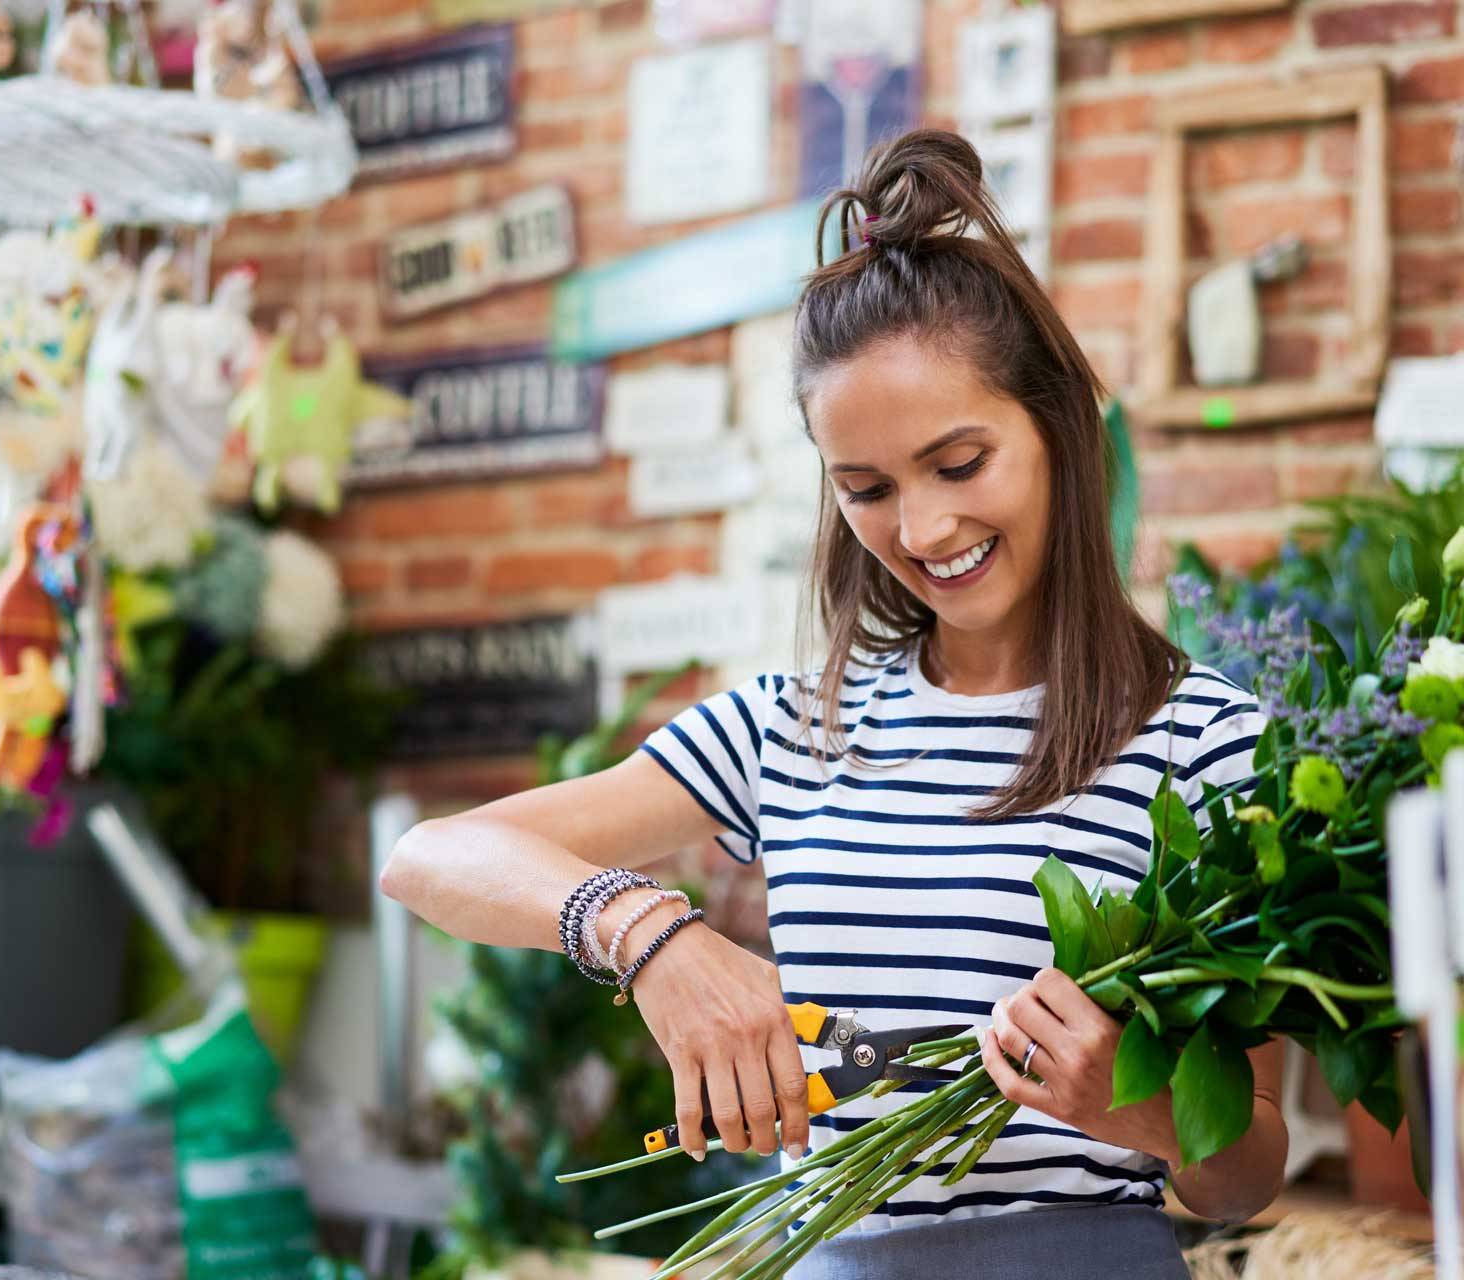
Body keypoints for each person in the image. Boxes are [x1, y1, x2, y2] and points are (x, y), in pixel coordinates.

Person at [378, 129, 1287, 1279]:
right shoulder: (790, 729)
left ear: (1058, 426)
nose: (921, 530)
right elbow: (430, 855)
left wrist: (1141, 1110)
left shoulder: (1208, 742)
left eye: (960, 463)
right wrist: (654, 939)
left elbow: (1250, 1163)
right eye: (867, 487)